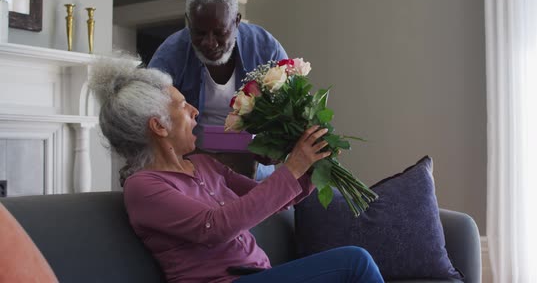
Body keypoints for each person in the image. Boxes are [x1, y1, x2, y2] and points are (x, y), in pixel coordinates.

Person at [88, 58, 384, 283]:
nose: (194, 111)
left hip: (257, 275)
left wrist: (311, 164)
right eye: (182, 105)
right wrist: (293, 166)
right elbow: (216, 227)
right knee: (354, 263)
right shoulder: (143, 188)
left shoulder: (203, 164)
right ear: (158, 126)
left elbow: (272, 199)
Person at [148, 0, 286, 180]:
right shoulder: (170, 54)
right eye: (199, 32)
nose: (209, 43)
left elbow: (289, 111)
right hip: (193, 167)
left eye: (220, 33)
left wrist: (276, 144)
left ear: (237, 21)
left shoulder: (265, 48)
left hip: (255, 171)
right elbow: (148, 116)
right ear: (188, 21)